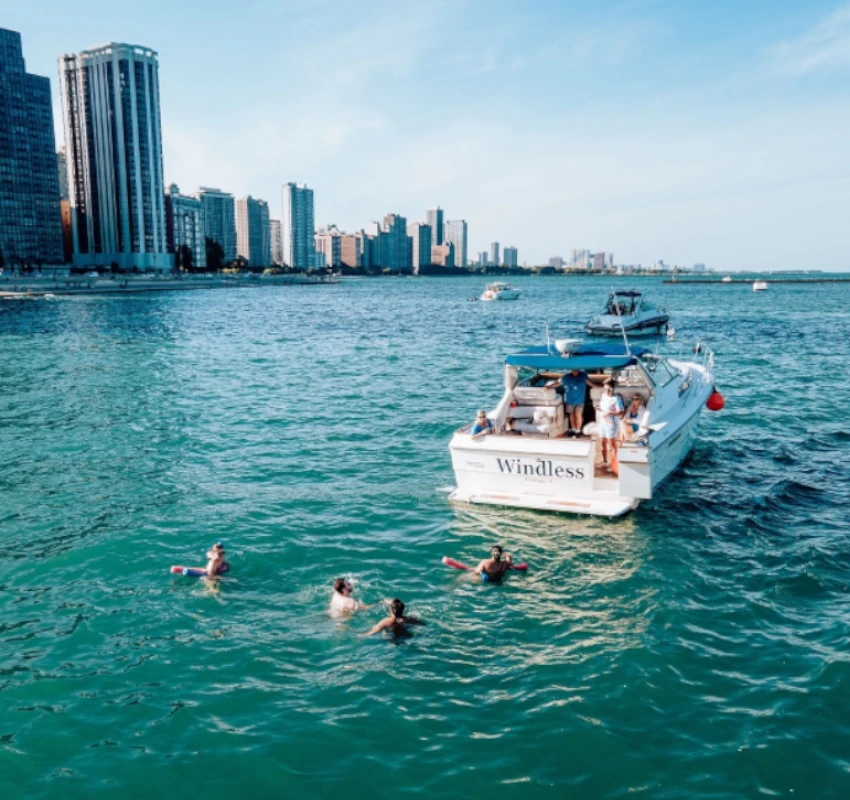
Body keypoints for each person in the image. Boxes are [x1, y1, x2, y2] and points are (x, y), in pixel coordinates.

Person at [596, 382, 624, 470]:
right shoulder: (603, 396)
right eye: (605, 389)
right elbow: (603, 408)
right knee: (602, 442)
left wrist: (609, 413)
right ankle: (604, 461)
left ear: (612, 389)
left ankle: (614, 463)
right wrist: (599, 409)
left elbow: (621, 412)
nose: (606, 391)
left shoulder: (616, 399)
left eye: (608, 389)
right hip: (603, 422)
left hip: (611, 423)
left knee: (612, 443)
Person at [560, 369, 590, 436]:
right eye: (574, 370)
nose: (575, 371)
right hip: (570, 400)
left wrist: (598, 386)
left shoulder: (583, 376)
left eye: (576, 370)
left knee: (578, 414)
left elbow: (589, 383)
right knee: (571, 414)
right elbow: (558, 383)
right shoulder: (566, 377)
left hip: (580, 400)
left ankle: (578, 430)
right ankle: (573, 429)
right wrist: (548, 387)